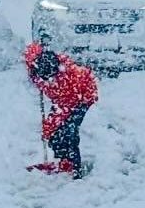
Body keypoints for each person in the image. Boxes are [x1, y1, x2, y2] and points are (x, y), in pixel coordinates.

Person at [27, 44, 99, 175]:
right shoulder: (42, 66)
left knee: (69, 131)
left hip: (83, 97)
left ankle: (74, 167)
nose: (48, 82)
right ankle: (63, 159)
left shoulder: (68, 82)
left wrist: (48, 128)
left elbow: (63, 111)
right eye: (45, 79)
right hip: (65, 100)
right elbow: (31, 53)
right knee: (55, 135)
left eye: (50, 79)